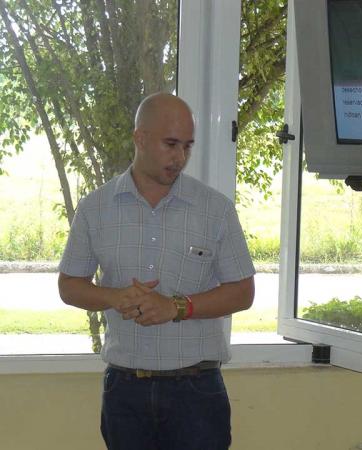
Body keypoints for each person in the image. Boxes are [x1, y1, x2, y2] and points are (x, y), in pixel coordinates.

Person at [58, 93, 255, 450]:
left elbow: (243, 291)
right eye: (170, 144)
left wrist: (177, 307)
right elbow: (69, 286)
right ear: (140, 138)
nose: (179, 157)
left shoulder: (215, 209)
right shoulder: (95, 208)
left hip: (197, 391)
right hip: (125, 390)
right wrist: (114, 297)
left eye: (187, 146)